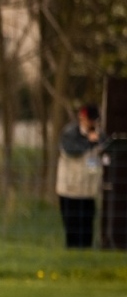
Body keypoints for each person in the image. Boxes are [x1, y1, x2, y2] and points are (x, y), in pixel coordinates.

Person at [58, 104, 103, 250]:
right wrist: (90, 142)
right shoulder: (70, 133)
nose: (92, 123)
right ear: (82, 117)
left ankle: (85, 256)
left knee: (87, 229)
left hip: (88, 192)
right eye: (90, 119)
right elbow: (71, 150)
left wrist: (97, 142)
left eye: (95, 120)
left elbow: (104, 150)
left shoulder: (98, 134)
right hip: (70, 191)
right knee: (72, 229)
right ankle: (72, 256)